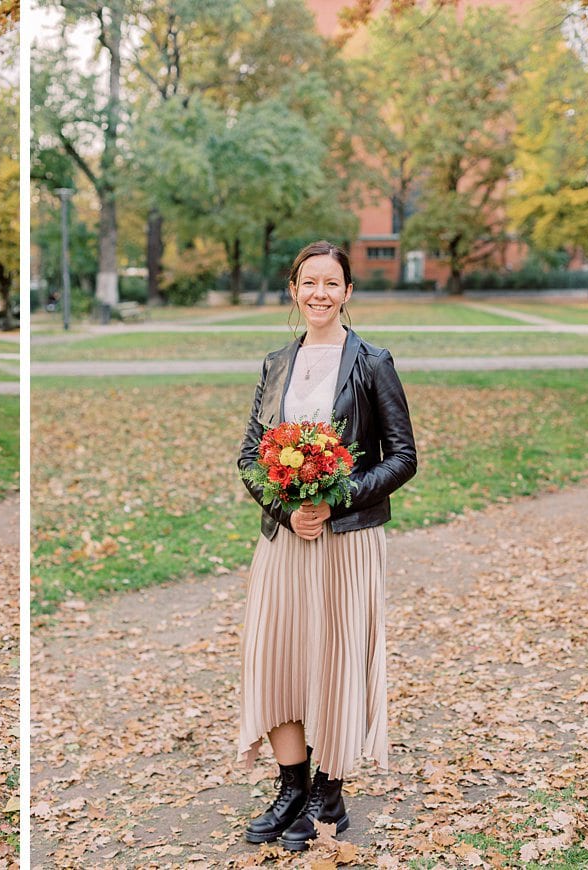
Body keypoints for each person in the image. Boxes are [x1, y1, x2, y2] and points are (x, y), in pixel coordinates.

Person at [235, 240, 417, 851]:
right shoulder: (275, 364)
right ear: (294, 290)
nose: (319, 293)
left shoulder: (372, 361)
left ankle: (329, 791)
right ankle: (291, 786)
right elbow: (249, 456)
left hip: (348, 541)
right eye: (308, 282)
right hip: (285, 539)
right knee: (277, 658)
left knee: (336, 662)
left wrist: (334, 500)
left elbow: (403, 457)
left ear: (347, 293)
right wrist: (288, 510)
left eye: (331, 284)